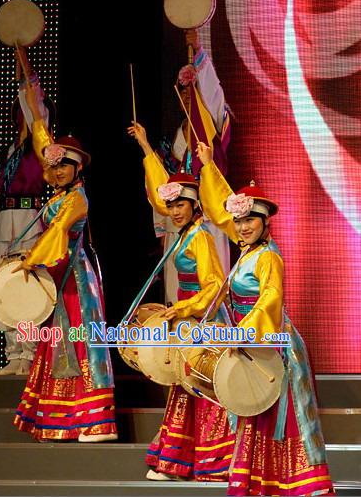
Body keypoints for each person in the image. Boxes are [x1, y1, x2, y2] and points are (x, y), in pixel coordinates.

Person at [196, 141, 334, 496]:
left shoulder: (268, 258)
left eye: (249, 220)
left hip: (270, 343)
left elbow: (270, 299)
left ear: (264, 221)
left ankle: (295, 485)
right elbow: (217, 205)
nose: (241, 227)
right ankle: (259, 482)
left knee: (280, 418)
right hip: (250, 341)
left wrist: (242, 335)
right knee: (253, 410)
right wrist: (209, 166)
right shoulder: (248, 251)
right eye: (238, 221)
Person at [127, 123, 235, 481]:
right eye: (170, 206)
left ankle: (213, 460)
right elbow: (160, 189)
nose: (173, 211)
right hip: (186, 318)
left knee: (204, 385)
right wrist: (145, 145)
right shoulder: (184, 233)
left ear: (194, 205)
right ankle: (180, 459)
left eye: (180, 205)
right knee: (183, 385)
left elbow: (215, 284)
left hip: (205, 319)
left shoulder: (201, 237)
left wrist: (184, 310)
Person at [13, 84, 117, 442]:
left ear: (77, 168)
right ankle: (60, 417)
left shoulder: (77, 200)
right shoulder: (59, 195)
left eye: (64, 167)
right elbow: (41, 134)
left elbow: (57, 233)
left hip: (76, 278)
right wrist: (32, 100)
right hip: (58, 276)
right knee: (59, 340)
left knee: (81, 339)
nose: (57, 172)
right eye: (53, 167)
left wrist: (32, 260)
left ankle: (93, 420)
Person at [153, 28, 231, 304]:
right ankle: (180, 346)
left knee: (210, 292)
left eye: (194, 91)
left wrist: (198, 52)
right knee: (178, 294)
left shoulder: (211, 130)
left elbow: (214, 94)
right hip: (178, 223)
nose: (189, 96)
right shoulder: (171, 142)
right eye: (184, 91)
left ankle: (213, 345)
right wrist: (163, 224)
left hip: (209, 220)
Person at [0, 47, 51, 375]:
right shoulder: (13, 148)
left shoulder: (43, 147)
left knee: (28, 282)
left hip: (29, 217)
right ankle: (14, 353)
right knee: (4, 282)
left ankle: (30, 354)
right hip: (5, 219)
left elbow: (33, 98)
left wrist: (23, 56)